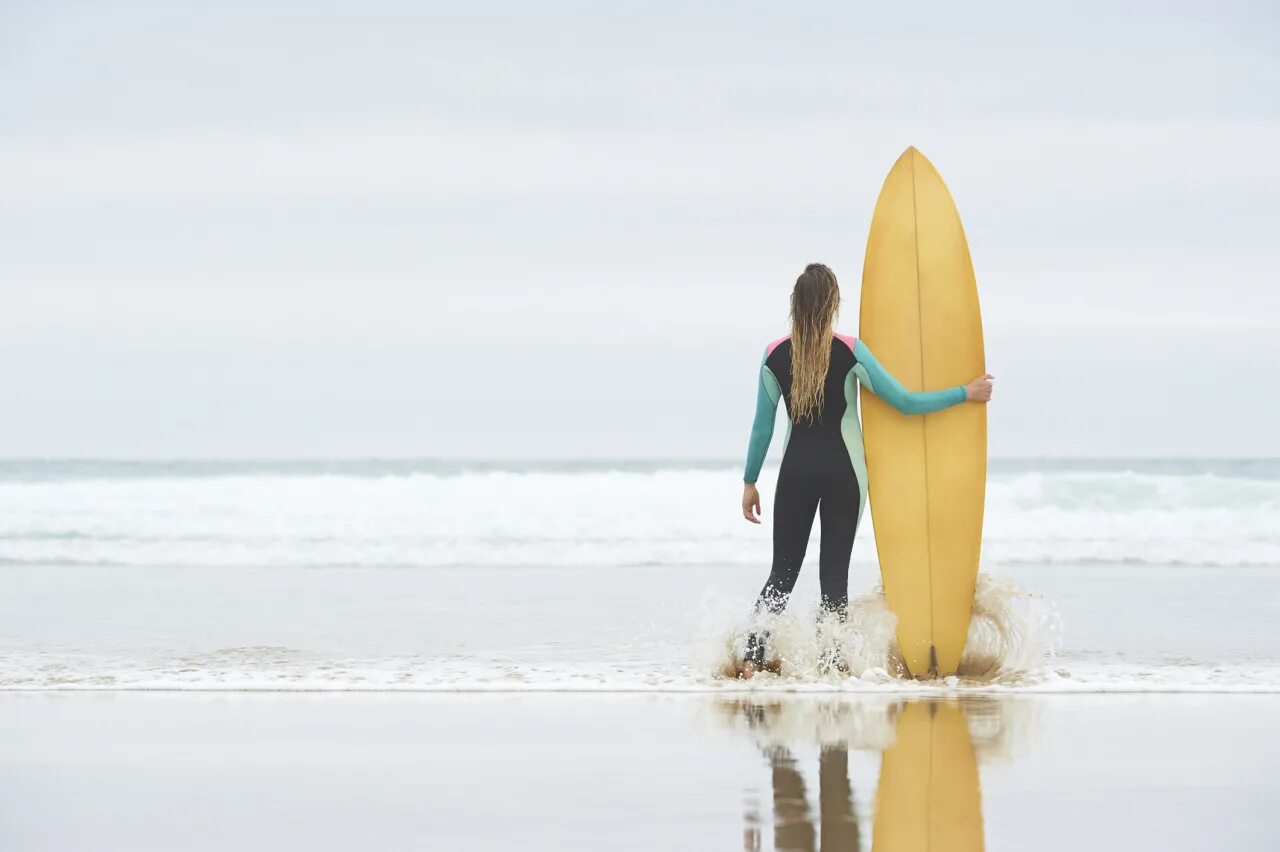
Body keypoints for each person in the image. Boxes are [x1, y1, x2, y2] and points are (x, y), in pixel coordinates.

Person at [737, 263, 993, 679]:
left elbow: (761, 428)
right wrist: (966, 392)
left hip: (794, 476)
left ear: (794, 305)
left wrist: (749, 482)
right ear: (834, 303)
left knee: (781, 574)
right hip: (845, 476)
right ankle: (831, 669)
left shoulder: (773, 355)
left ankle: (751, 660)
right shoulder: (851, 351)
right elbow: (906, 403)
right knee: (833, 576)